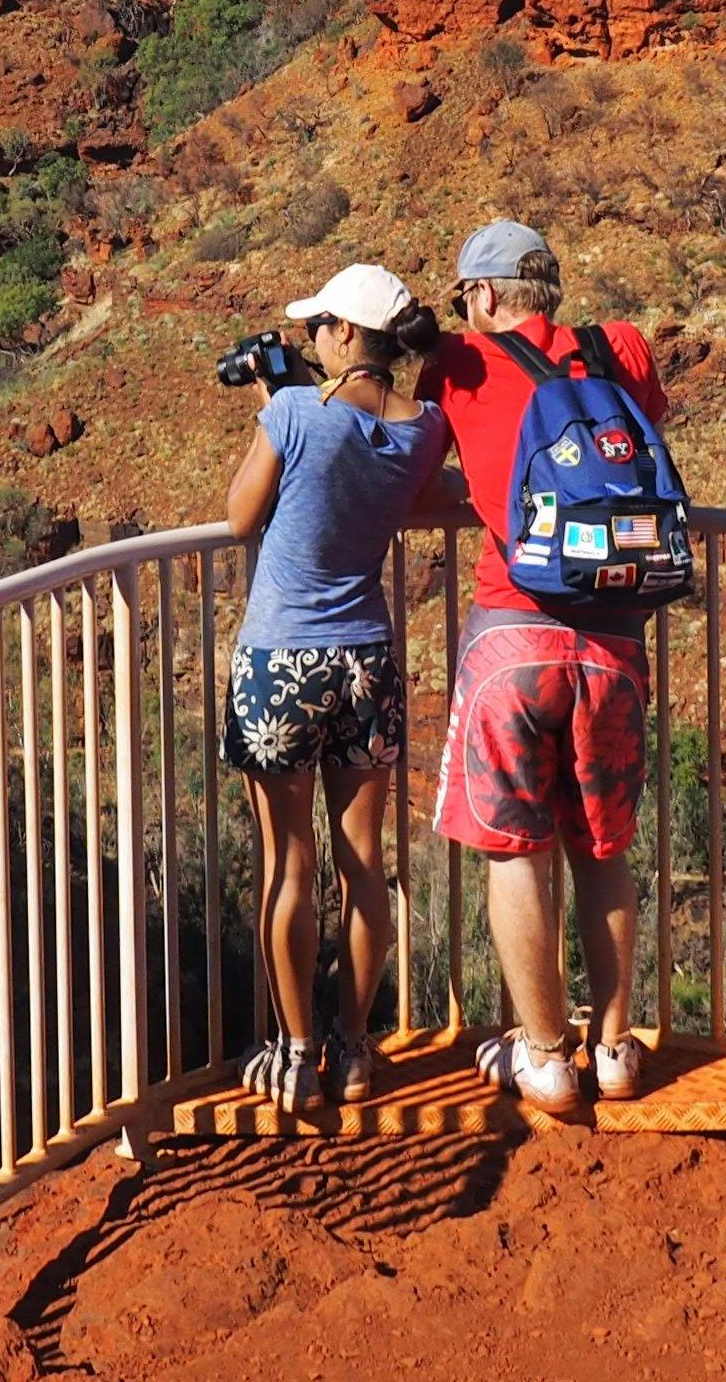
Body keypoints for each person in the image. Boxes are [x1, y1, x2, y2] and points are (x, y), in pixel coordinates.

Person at [419, 217, 676, 1119]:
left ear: (483, 294)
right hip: (614, 639)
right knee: (601, 849)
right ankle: (614, 1049)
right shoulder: (621, 347)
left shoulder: (457, 361)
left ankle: (544, 1058)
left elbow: (411, 461)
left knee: (515, 853)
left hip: (514, 634)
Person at [214, 259, 448, 1115]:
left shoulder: (291, 413)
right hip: (367, 661)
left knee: (289, 865)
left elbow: (242, 517)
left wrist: (273, 408)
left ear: (346, 333)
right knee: (363, 865)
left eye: (319, 327)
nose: (311, 341)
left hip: (282, 659)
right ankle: (353, 1049)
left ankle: (296, 1053)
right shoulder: (426, 430)